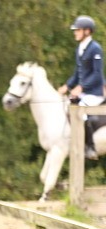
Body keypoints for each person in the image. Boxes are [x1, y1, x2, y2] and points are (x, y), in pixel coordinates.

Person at [57, 15, 104, 157]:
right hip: (84, 92)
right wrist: (67, 86)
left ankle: (90, 146)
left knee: (80, 110)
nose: (75, 33)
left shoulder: (95, 48)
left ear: (87, 31)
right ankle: (77, 140)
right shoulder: (79, 49)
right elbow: (77, 73)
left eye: (78, 30)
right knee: (68, 106)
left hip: (94, 92)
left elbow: (97, 74)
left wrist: (81, 87)